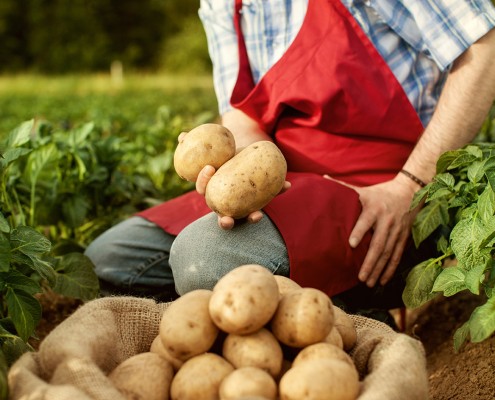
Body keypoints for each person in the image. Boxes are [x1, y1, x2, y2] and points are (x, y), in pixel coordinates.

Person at [85, 0, 495, 323]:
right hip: (288, 179)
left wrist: (411, 184)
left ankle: (352, 316)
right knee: (109, 261)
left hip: (384, 185)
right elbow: (241, 114)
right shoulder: (223, 3)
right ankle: (335, 305)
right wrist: (247, 177)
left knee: (203, 262)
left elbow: (485, 47)